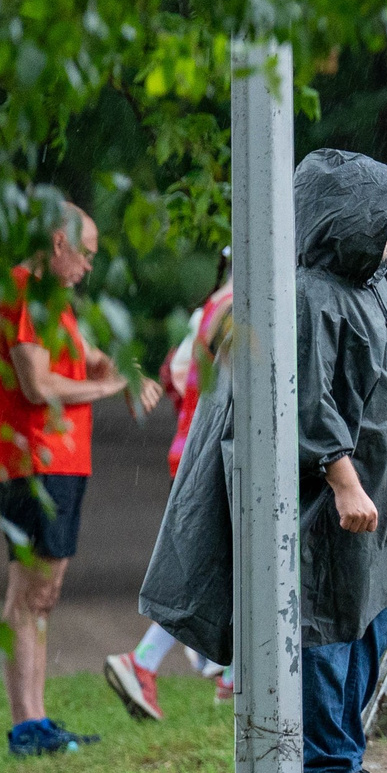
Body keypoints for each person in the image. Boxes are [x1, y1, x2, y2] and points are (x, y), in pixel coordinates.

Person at [143, 150, 387, 773]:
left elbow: (378, 372)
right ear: (344, 217)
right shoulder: (310, 295)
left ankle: (340, 756)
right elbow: (305, 402)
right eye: (384, 217)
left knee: (366, 625)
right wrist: (344, 479)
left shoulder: (362, 286)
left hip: (378, 505)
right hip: (336, 506)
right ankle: (325, 766)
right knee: (328, 625)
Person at [0, 203, 158, 755]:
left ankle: (34, 722)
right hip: (34, 461)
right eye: (84, 253)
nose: (88, 265)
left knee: (42, 593)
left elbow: (90, 357)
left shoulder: (51, 303)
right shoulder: (24, 292)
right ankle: (26, 727)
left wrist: (126, 374)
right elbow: (37, 385)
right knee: (30, 593)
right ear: (57, 243)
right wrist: (110, 389)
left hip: (58, 461)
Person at [105, 262, 237, 723]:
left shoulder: (208, 309)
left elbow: (174, 375)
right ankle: (145, 662)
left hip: (191, 448)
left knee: (215, 564)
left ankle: (225, 675)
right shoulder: (244, 306)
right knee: (212, 568)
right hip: (218, 454)